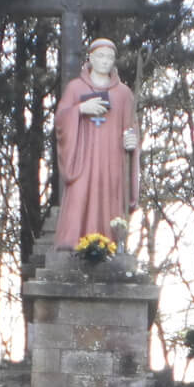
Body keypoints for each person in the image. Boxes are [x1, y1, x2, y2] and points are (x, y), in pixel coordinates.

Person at [53, 38, 139, 251]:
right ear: (90, 58)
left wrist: (132, 141)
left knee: (108, 201)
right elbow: (61, 120)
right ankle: (71, 245)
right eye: (100, 56)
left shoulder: (123, 94)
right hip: (83, 158)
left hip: (112, 161)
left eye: (110, 57)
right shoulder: (75, 88)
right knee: (78, 196)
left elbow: (131, 127)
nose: (105, 61)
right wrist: (81, 109)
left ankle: (109, 247)